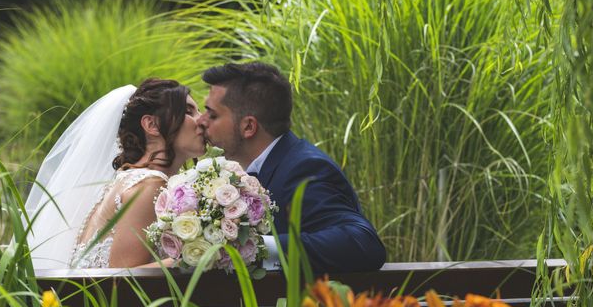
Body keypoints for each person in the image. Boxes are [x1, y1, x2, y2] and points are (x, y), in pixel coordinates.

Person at [197, 62, 386, 274]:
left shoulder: (305, 168)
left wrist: (254, 248)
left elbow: (363, 243)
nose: (200, 121)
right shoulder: (243, 170)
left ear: (248, 126)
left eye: (212, 115)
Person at [26, 79, 205, 269]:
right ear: (151, 124)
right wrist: (204, 254)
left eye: (199, 111)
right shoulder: (150, 185)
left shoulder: (132, 178)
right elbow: (123, 280)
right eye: (188, 112)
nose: (201, 120)